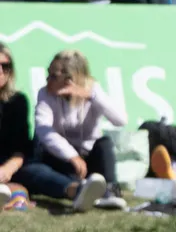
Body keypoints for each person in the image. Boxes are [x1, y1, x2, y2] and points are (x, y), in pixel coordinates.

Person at [15, 50, 128, 211]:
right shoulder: (45, 94)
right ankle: (78, 190)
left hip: (88, 158)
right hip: (60, 160)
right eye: (48, 74)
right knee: (30, 170)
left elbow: (121, 120)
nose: (47, 80)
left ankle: (111, 192)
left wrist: (91, 96)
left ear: (70, 80)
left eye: (53, 76)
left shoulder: (94, 90)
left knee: (105, 143)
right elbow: (43, 129)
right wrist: (72, 156)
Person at [0, 43, 30, 211]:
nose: (0, 71)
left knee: (35, 173)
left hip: (8, 165)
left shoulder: (17, 101)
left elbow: (21, 147)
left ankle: (77, 190)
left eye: (5, 66)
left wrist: (7, 169)